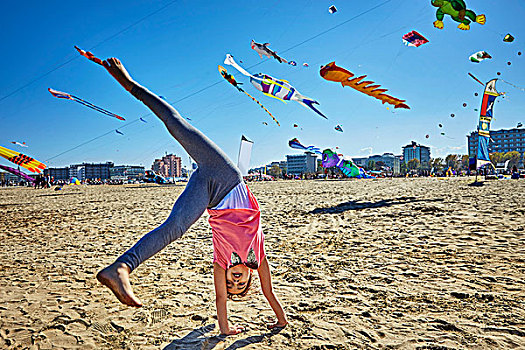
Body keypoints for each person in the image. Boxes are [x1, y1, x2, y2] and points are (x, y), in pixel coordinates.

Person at [95, 57, 287, 335]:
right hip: (224, 175)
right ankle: (130, 84)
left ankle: (121, 267)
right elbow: (269, 293)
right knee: (177, 124)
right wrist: (281, 321)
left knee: (174, 228)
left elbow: (221, 299)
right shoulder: (258, 259)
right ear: (250, 278)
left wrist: (225, 329)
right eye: (240, 283)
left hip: (211, 197)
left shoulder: (222, 263)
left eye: (231, 284)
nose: (233, 282)